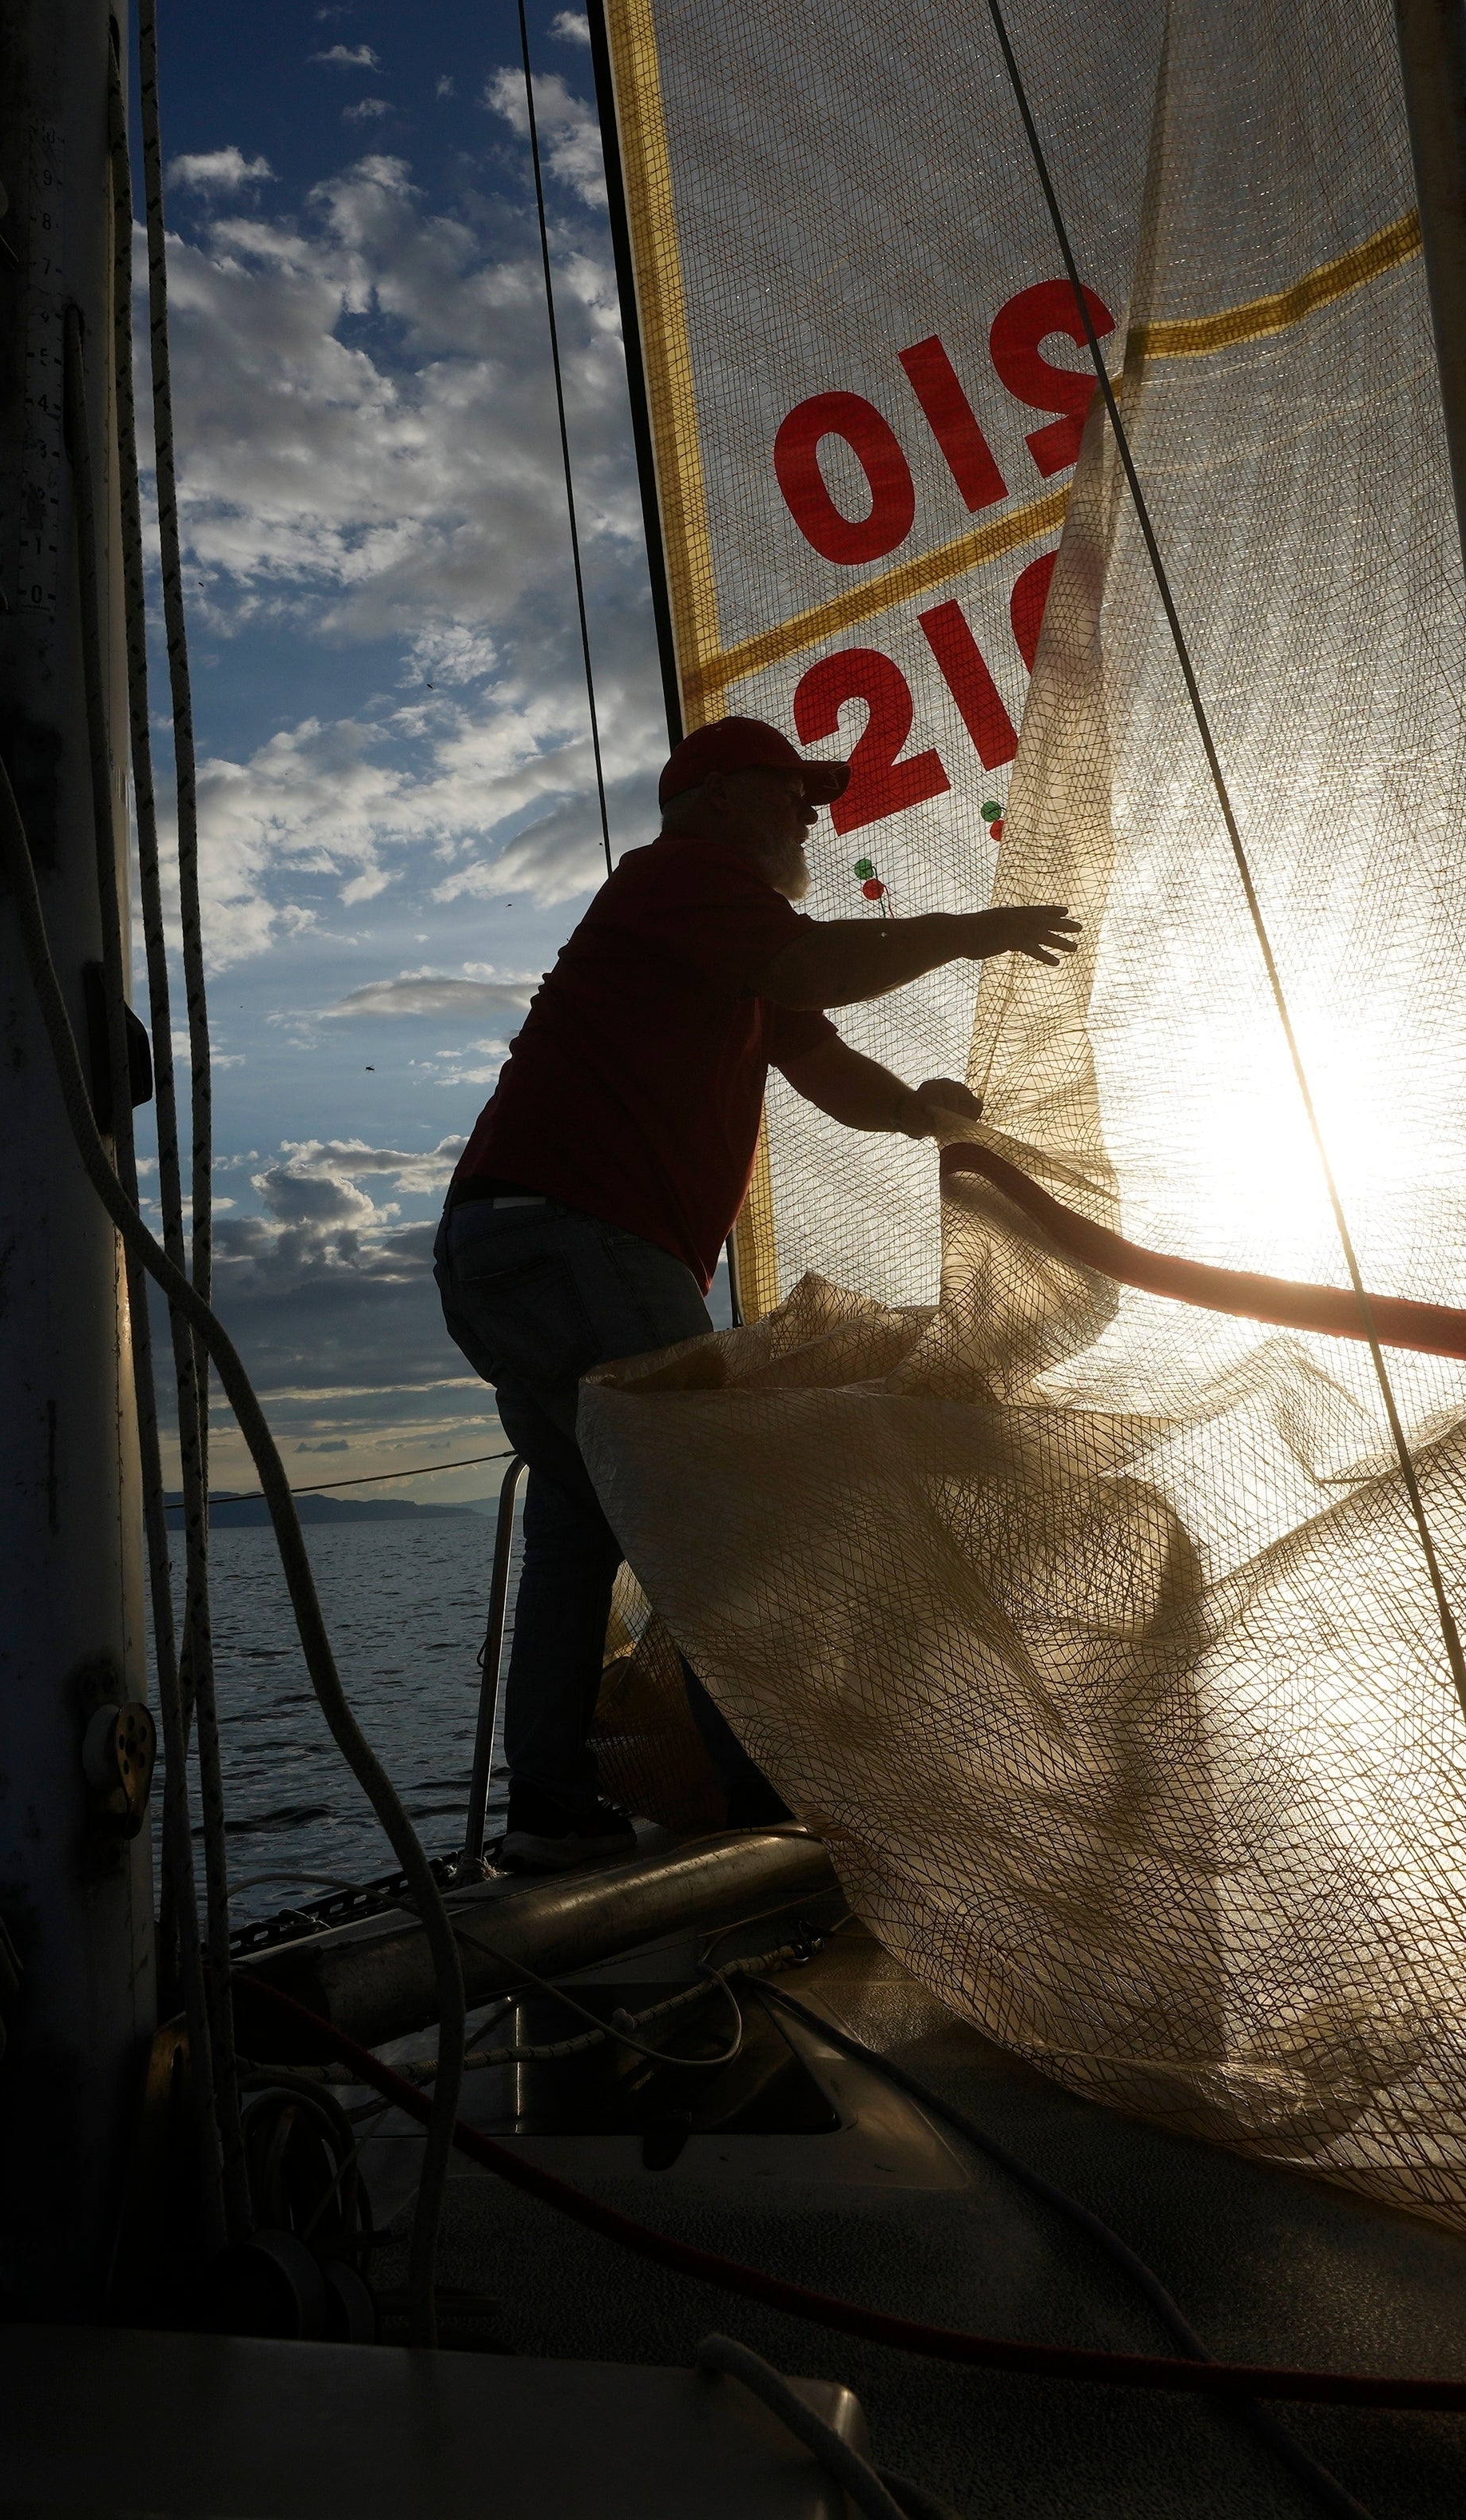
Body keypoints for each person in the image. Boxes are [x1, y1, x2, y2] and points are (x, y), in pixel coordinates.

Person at [434, 714, 1081, 1867]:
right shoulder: (681, 877)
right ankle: (769, 1815)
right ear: (727, 794)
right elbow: (811, 965)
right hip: (583, 1241)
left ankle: (547, 1815)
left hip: (514, 1248)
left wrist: (914, 1111)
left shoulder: (725, 932)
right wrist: (972, 930)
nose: (815, 817)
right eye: (798, 792)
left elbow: (818, 1057)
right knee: (718, 1512)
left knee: (583, 1534)